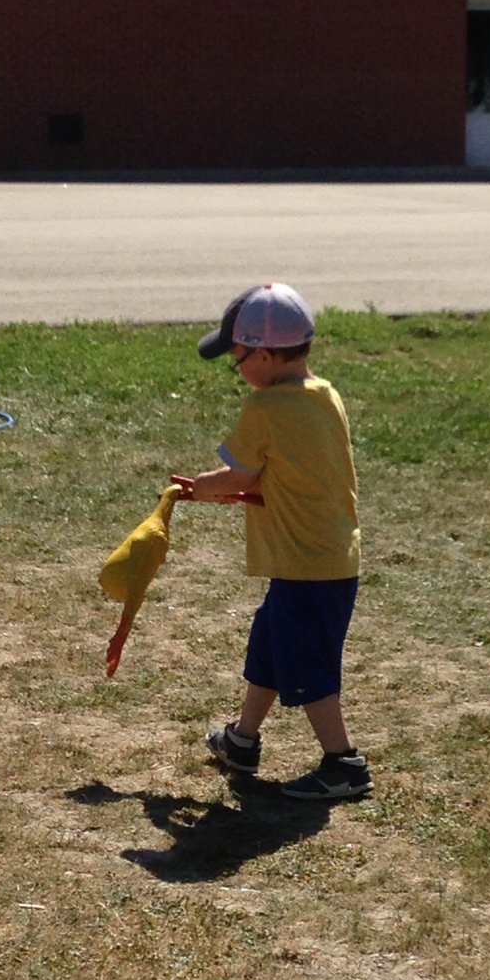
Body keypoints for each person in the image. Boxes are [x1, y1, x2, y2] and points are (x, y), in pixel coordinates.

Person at [184, 282, 373, 801]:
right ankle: (243, 740)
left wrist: (201, 489)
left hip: (306, 565)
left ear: (265, 356)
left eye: (238, 359)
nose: (238, 370)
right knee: (270, 644)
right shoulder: (325, 395)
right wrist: (253, 490)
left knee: (307, 663)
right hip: (329, 555)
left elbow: (238, 476)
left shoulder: (264, 408)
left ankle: (344, 765)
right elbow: (298, 470)